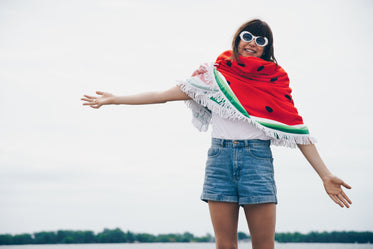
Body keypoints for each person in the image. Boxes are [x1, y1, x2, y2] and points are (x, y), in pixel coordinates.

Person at [81, 19, 351, 249]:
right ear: (237, 39)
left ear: (268, 48)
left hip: (257, 162)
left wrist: (325, 175)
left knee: (264, 245)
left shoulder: (275, 81)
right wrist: (116, 99)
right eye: (247, 36)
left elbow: (297, 130)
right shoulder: (213, 78)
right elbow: (162, 96)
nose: (252, 42)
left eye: (261, 39)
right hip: (219, 159)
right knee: (224, 245)